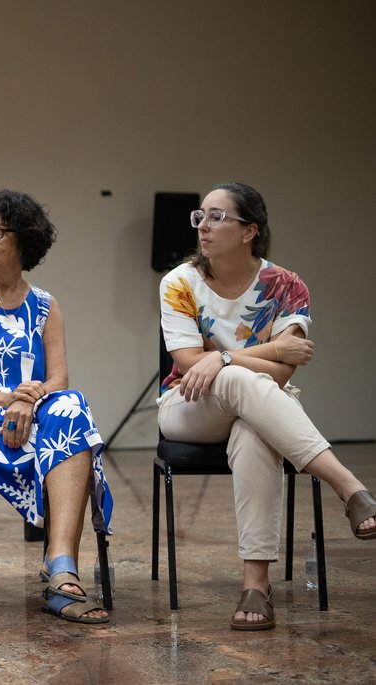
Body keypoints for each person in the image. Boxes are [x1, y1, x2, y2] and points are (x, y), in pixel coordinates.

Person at [158, 181, 376, 631]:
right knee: (239, 378)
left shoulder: (286, 286)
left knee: (254, 429)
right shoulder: (179, 282)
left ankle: (256, 584)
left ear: (249, 230)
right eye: (200, 216)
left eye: (218, 217)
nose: (203, 226)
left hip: (257, 404)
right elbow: (187, 364)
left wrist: (219, 356)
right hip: (188, 405)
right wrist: (267, 351)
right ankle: (349, 486)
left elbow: (281, 374)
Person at [0, 190, 113, 624]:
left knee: (71, 406)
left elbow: (58, 380)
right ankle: (61, 568)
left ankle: (61, 564)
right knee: (71, 437)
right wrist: (9, 400)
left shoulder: (47, 306)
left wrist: (28, 404)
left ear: (24, 241)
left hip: (31, 415)